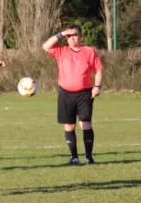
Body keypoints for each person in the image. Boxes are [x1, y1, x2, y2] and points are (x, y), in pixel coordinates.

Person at [42, 24, 103, 165]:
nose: (72, 38)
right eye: (69, 36)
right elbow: (46, 46)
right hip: (65, 94)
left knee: (86, 124)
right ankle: (74, 157)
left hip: (84, 94)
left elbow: (98, 70)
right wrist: (62, 33)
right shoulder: (60, 50)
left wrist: (97, 87)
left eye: (75, 35)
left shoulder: (89, 51)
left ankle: (89, 157)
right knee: (69, 126)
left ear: (80, 36)